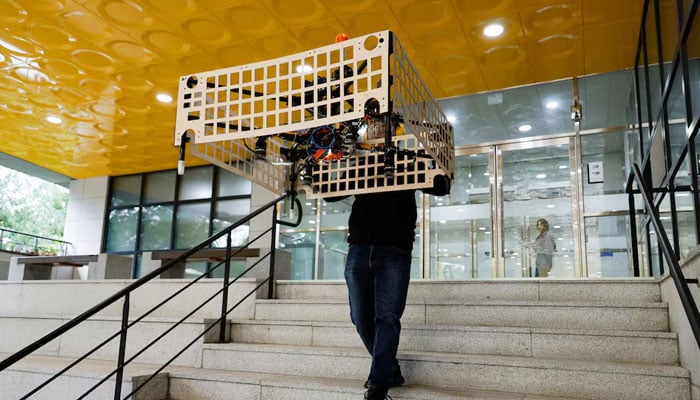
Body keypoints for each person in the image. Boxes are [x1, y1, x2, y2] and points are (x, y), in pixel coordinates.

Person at [327, 175, 449, 400]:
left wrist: (418, 170)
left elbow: (441, 187)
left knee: (387, 318)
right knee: (360, 318)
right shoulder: (361, 165)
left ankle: (378, 387)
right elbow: (330, 194)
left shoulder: (406, 163)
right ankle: (390, 369)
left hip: (395, 251)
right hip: (359, 248)